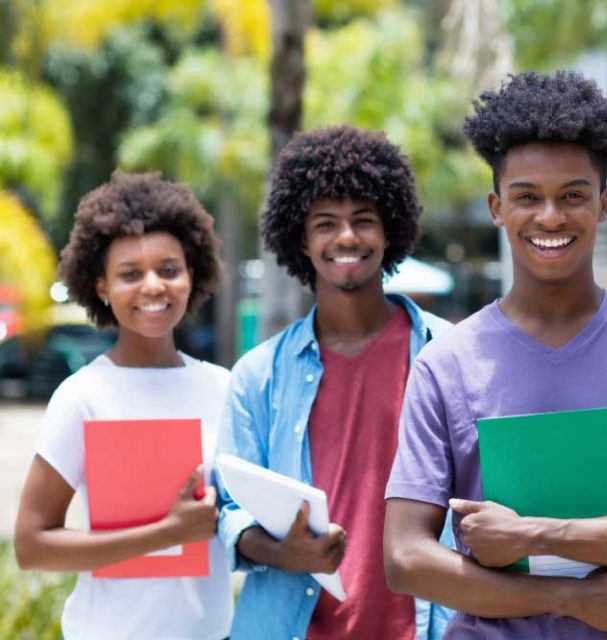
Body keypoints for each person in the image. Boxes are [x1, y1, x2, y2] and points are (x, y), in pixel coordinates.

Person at [383, 70, 607, 638]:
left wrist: (534, 535)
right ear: (497, 207)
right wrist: (570, 597)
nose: (550, 216)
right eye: (528, 197)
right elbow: (404, 558)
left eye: (572, 195)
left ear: (604, 203)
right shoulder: (445, 364)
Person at [216, 125, 452, 640]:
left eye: (363, 220)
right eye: (326, 223)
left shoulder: (450, 355)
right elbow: (229, 510)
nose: (346, 237)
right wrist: (283, 552)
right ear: (302, 239)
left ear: (388, 232)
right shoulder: (257, 377)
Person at [13, 171, 231, 640]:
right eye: (130, 274)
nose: (153, 286)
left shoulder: (223, 388)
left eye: (169, 269)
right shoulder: (83, 396)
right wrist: (167, 533)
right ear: (102, 288)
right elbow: (31, 545)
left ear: (192, 275)